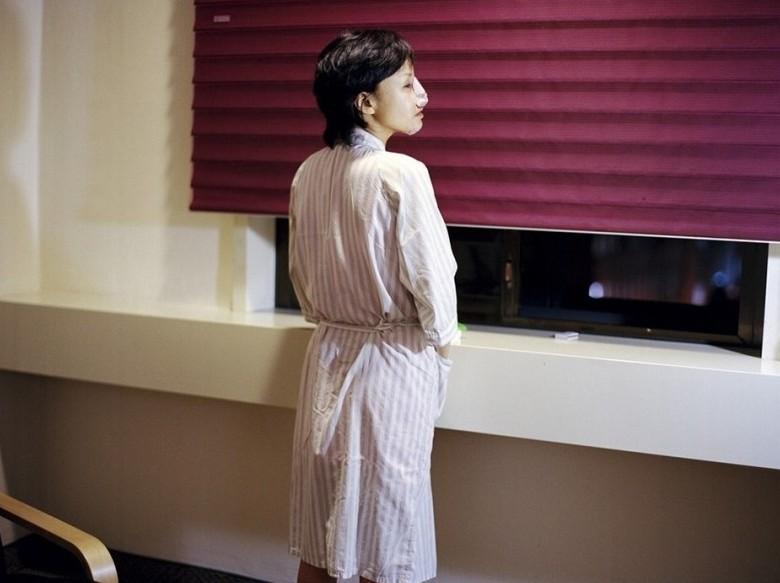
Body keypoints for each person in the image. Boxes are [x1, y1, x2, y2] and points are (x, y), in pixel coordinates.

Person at [288, 29, 458, 583]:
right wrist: (442, 351)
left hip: (328, 357)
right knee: (390, 532)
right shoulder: (400, 172)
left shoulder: (308, 172)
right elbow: (433, 282)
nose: (422, 94)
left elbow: (303, 282)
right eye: (407, 84)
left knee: (323, 528)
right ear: (365, 102)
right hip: (393, 363)